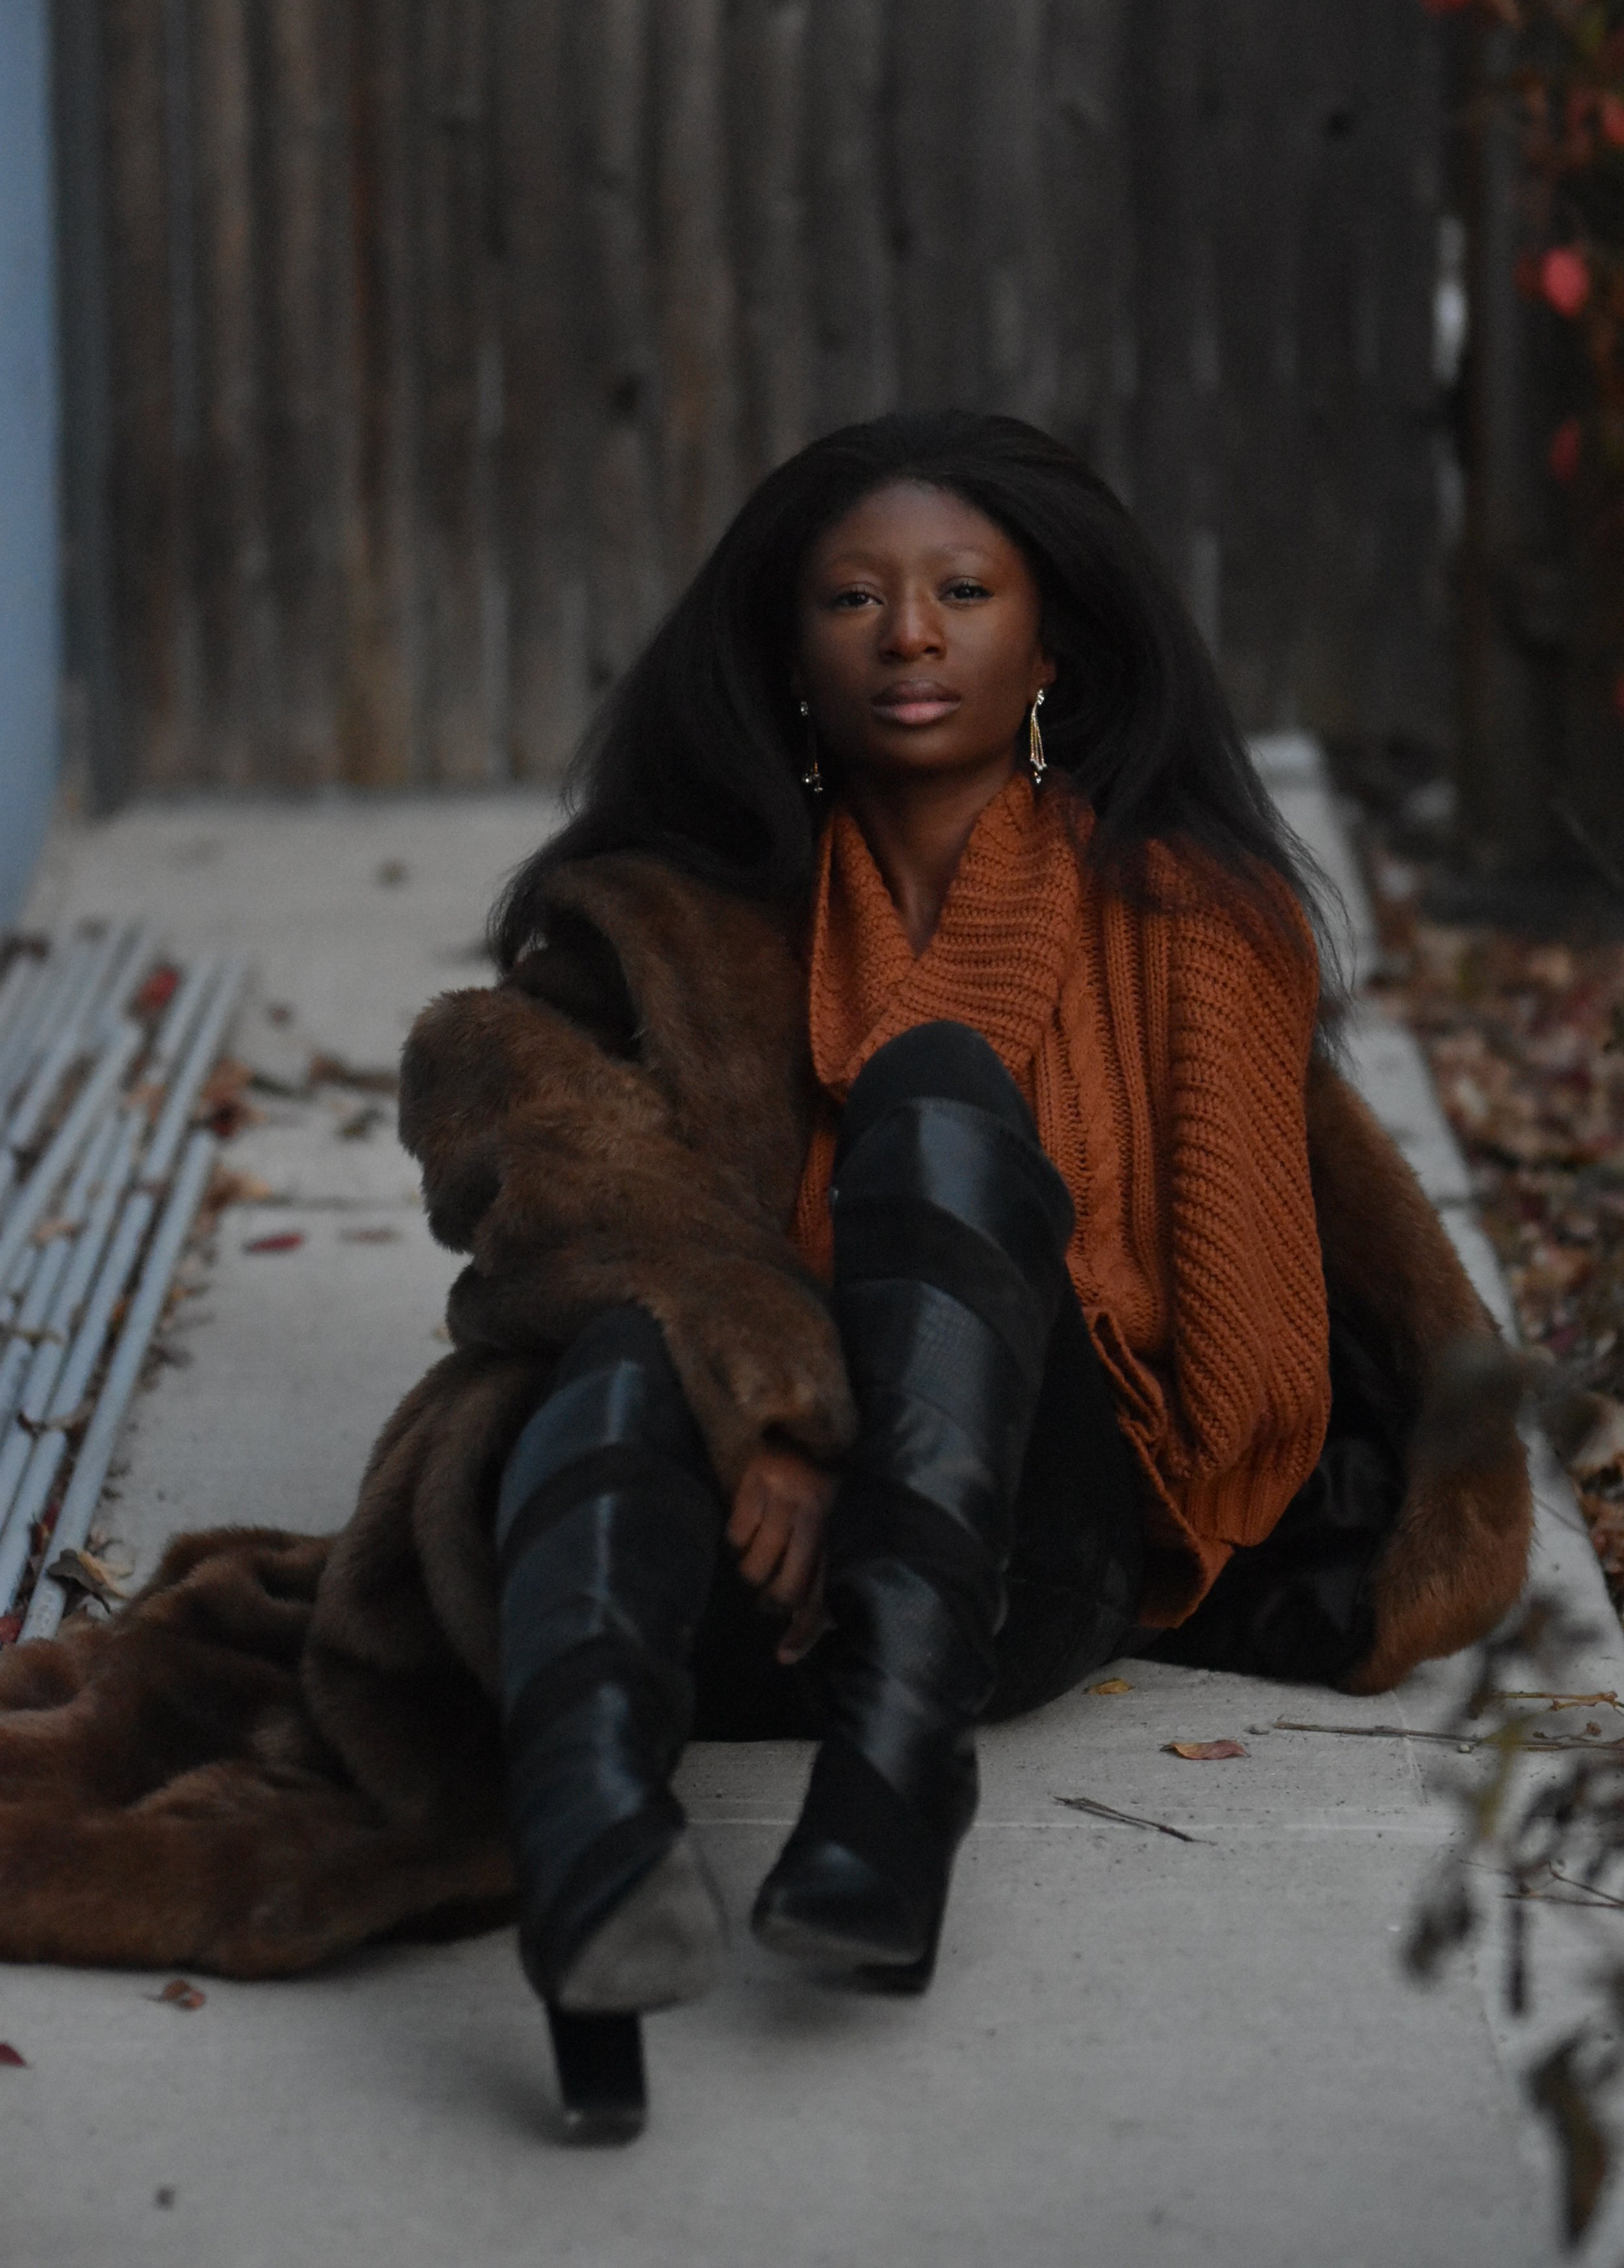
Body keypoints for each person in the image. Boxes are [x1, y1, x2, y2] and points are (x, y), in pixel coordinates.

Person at [0, 411, 1530, 2145]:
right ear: (788, 652)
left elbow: (1252, 1386)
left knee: (936, 1096)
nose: (909, 634)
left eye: (964, 592)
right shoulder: (674, 916)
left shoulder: (1193, 921)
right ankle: (593, 1852)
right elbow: (521, 1127)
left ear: (1053, 643)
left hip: (1019, 1560)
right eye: (852, 598)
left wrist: (876, 1434)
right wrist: (770, 1395)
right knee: (617, 1356)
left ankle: (895, 1787)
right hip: (712, 1563)